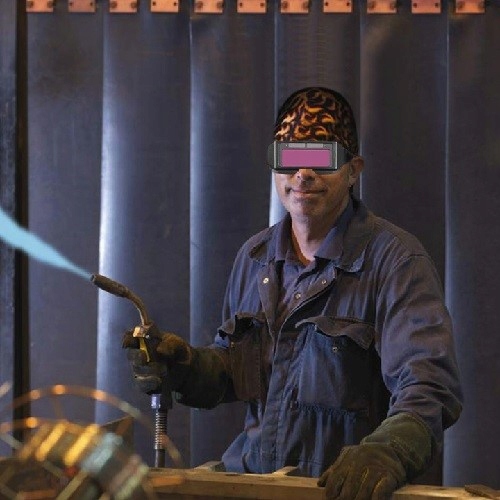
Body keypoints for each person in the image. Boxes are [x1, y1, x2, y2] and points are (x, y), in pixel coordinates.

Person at [124, 87, 463, 499]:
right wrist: (188, 368)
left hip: (336, 491)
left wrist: (386, 452)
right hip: (255, 483)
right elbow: (238, 371)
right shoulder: (255, 257)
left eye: (322, 158)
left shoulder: (396, 263)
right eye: (289, 157)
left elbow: (430, 388)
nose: (303, 173)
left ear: (353, 170)